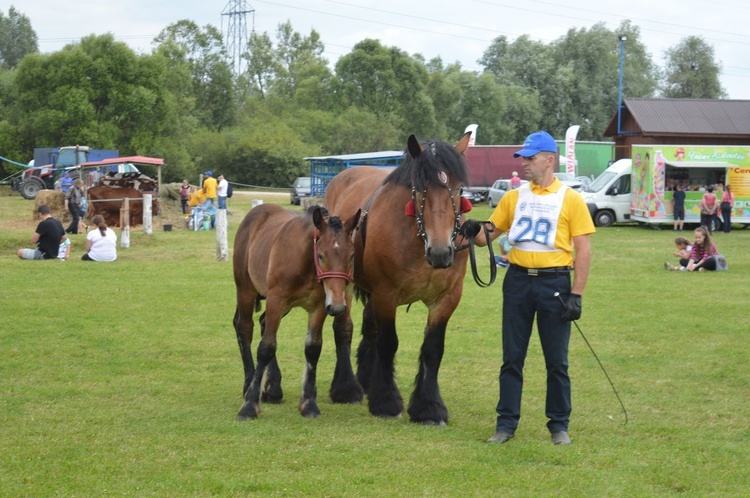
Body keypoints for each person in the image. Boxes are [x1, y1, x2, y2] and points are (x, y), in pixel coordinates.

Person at [463, 130, 595, 446]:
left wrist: (576, 293)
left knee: (557, 361)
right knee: (512, 357)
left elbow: (584, 249)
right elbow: (487, 236)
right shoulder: (514, 197)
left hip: (555, 284)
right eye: (523, 158)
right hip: (518, 282)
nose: (524, 163)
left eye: (530, 158)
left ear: (549, 160)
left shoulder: (571, 199)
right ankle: (505, 425)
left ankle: (559, 425)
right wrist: (471, 230)